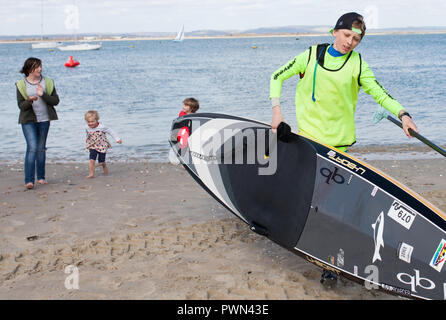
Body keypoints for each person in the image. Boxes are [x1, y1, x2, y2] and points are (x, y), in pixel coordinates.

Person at [270, 12, 418, 152]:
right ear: (335, 32)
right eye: (347, 35)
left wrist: (403, 115)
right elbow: (277, 77)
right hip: (309, 140)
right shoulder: (310, 55)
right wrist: (277, 112)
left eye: (356, 39)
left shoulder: (358, 65)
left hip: (339, 146)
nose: (349, 42)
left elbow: (381, 94)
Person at [16, 57, 60, 189]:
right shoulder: (21, 84)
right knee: (32, 148)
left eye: (40, 66)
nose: (39, 69)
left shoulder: (48, 82)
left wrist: (43, 94)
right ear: (29, 69)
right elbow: (21, 106)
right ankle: (29, 180)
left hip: (44, 120)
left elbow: (55, 101)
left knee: (41, 149)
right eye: (36, 67)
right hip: (28, 120)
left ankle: (41, 177)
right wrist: (29, 100)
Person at [84, 110, 122, 178]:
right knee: (91, 160)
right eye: (88, 122)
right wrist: (88, 143)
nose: (90, 123)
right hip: (93, 146)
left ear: (97, 120)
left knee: (101, 162)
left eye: (92, 121)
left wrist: (117, 139)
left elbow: (111, 132)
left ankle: (104, 166)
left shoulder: (102, 127)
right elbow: (88, 135)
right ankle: (91, 174)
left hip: (102, 146)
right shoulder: (87, 127)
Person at [169, 97, 200, 165]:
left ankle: (186, 162)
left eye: (186, 105)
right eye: (183, 104)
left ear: (191, 108)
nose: (183, 106)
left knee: (187, 149)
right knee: (181, 148)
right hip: (181, 134)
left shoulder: (195, 117)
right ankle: (182, 161)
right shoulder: (182, 114)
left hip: (188, 135)